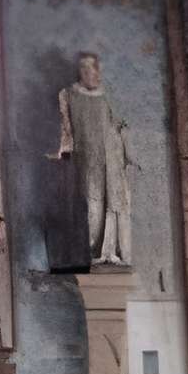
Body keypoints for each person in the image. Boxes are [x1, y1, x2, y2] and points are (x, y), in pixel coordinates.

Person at [49, 50, 136, 266]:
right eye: (83, 68)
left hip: (112, 157)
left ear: (99, 70)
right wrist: (63, 150)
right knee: (92, 205)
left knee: (115, 202)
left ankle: (111, 251)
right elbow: (66, 127)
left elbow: (121, 125)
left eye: (92, 68)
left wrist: (128, 154)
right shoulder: (68, 95)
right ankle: (89, 250)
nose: (88, 72)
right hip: (88, 159)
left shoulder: (109, 95)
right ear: (79, 71)